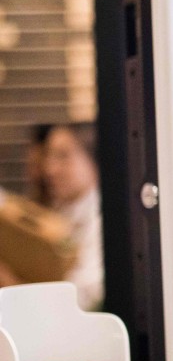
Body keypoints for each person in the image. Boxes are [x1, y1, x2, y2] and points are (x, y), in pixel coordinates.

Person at [0, 123, 104, 310]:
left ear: (94, 160)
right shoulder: (57, 211)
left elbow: (78, 301)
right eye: (48, 156)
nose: (50, 169)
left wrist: (11, 284)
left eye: (63, 157)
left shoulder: (101, 222)